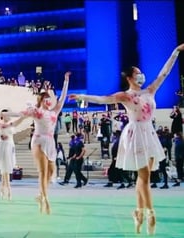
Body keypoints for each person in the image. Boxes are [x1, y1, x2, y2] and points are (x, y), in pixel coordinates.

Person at [68, 44, 184, 235]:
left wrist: (175, 52)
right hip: (136, 134)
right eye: (137, 73)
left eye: (141, 73)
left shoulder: (150, 91)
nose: (141, 76)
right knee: (144, 176)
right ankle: (150, 214)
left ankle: (137, 212)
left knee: (143, 177)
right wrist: (81, 96)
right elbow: (103, 99)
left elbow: (164, 73)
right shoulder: (125, 96)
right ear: (130, 78)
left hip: (150, 134)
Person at [9, 71, 71, 214]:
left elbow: (62, 98)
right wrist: (6, 115)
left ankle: (40, 194)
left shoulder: (54, 111)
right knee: (42, 172)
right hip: (38, 140)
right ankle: (45, 199)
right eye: (45, 98)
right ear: (41, 100)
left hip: (50, 142)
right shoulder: (36, 111)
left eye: (49, 98)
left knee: (50, 172)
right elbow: (20, 114)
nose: (48, 101)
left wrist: (66, 81)